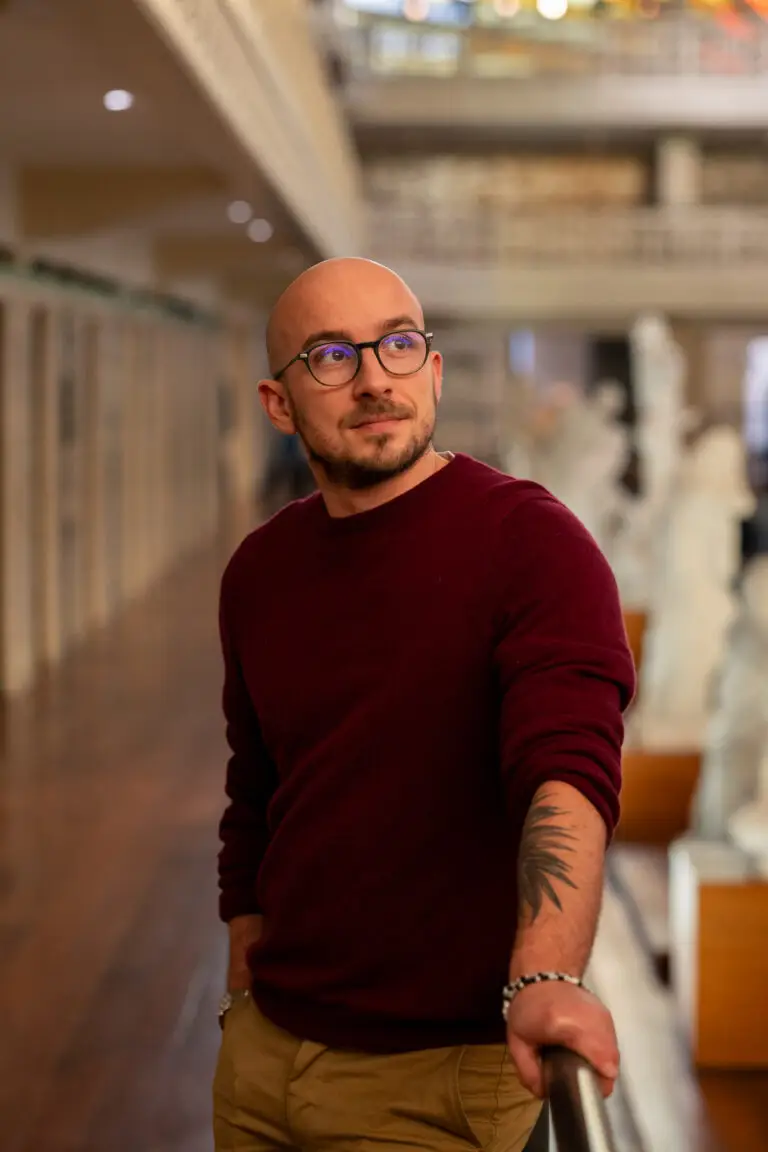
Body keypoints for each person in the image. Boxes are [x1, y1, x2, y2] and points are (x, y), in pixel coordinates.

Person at [214, 258, 636, 1151]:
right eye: (331, 356)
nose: (374, 378)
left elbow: (566, 770)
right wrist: (242, 996)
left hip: (437, 1077)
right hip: (263, 1062)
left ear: (432, 372)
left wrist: (547, 974)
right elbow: (255, 793)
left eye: (399, 346)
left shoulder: (531, 544)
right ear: (278, 404)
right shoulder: (259, 570)